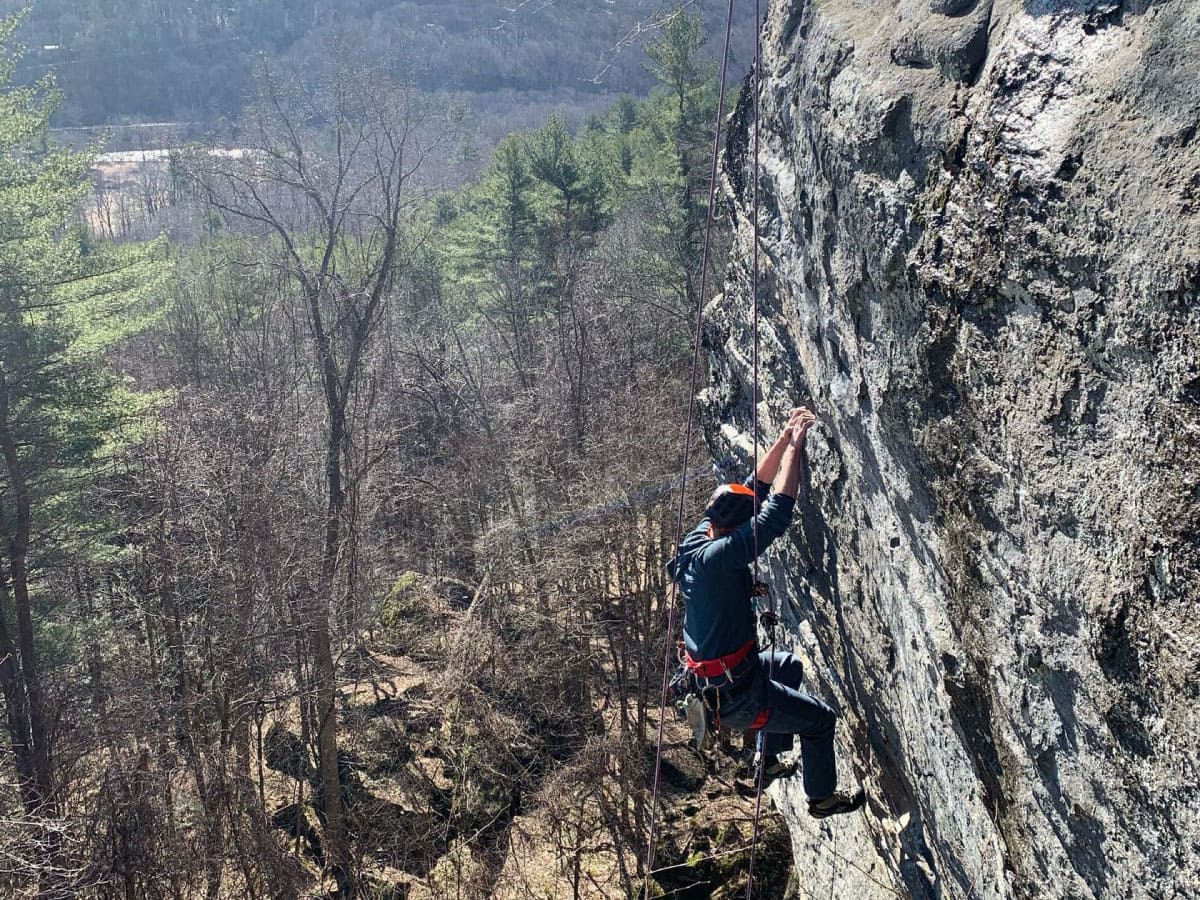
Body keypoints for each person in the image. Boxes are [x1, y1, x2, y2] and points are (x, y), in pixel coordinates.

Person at [667, 407, 864, 819]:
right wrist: (797, 445)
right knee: (819, 722)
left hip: (724, 681)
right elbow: (777, 510)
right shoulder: (720, 556)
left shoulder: (700, 536)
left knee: (788, 666)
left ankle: (768, 759)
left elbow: (754, 487)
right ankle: (822, 799)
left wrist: (785, 434)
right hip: (739, 697)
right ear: (736, 530)